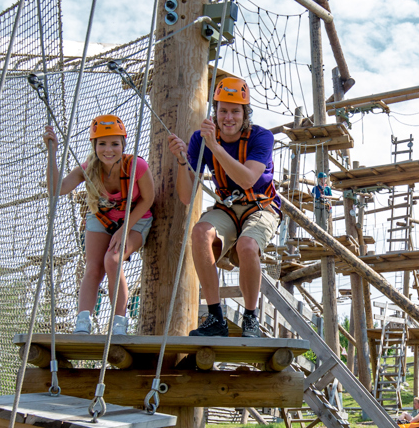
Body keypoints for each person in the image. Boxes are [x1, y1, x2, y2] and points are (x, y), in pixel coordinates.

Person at [167, 76, 280, 339]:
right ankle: (215, 316)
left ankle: (250, 318)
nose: (228, 118)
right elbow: (186, 196)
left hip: (260, 206)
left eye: (235, 112)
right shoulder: (200, 138)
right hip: (227, 206)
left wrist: (215, 147)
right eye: (223, 111)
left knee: (247, 246)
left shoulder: (262, 137)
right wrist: (183, 163)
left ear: (245, 114)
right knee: (200, 233)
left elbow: (247, 179)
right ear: (215, 113)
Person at [43, 115, 154, 336]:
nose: (108, 150)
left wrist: (124, 231)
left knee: (112, 260)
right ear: (94, 146)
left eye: (114, 143)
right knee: (93, 266)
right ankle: (83, 321)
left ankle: (119, 322)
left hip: (136, 218)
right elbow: (57, 189)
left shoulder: (136, 166)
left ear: (123, 144)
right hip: (102, 217)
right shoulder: (89, 168)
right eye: (102, 144)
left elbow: (148, 199)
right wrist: (52, 152)